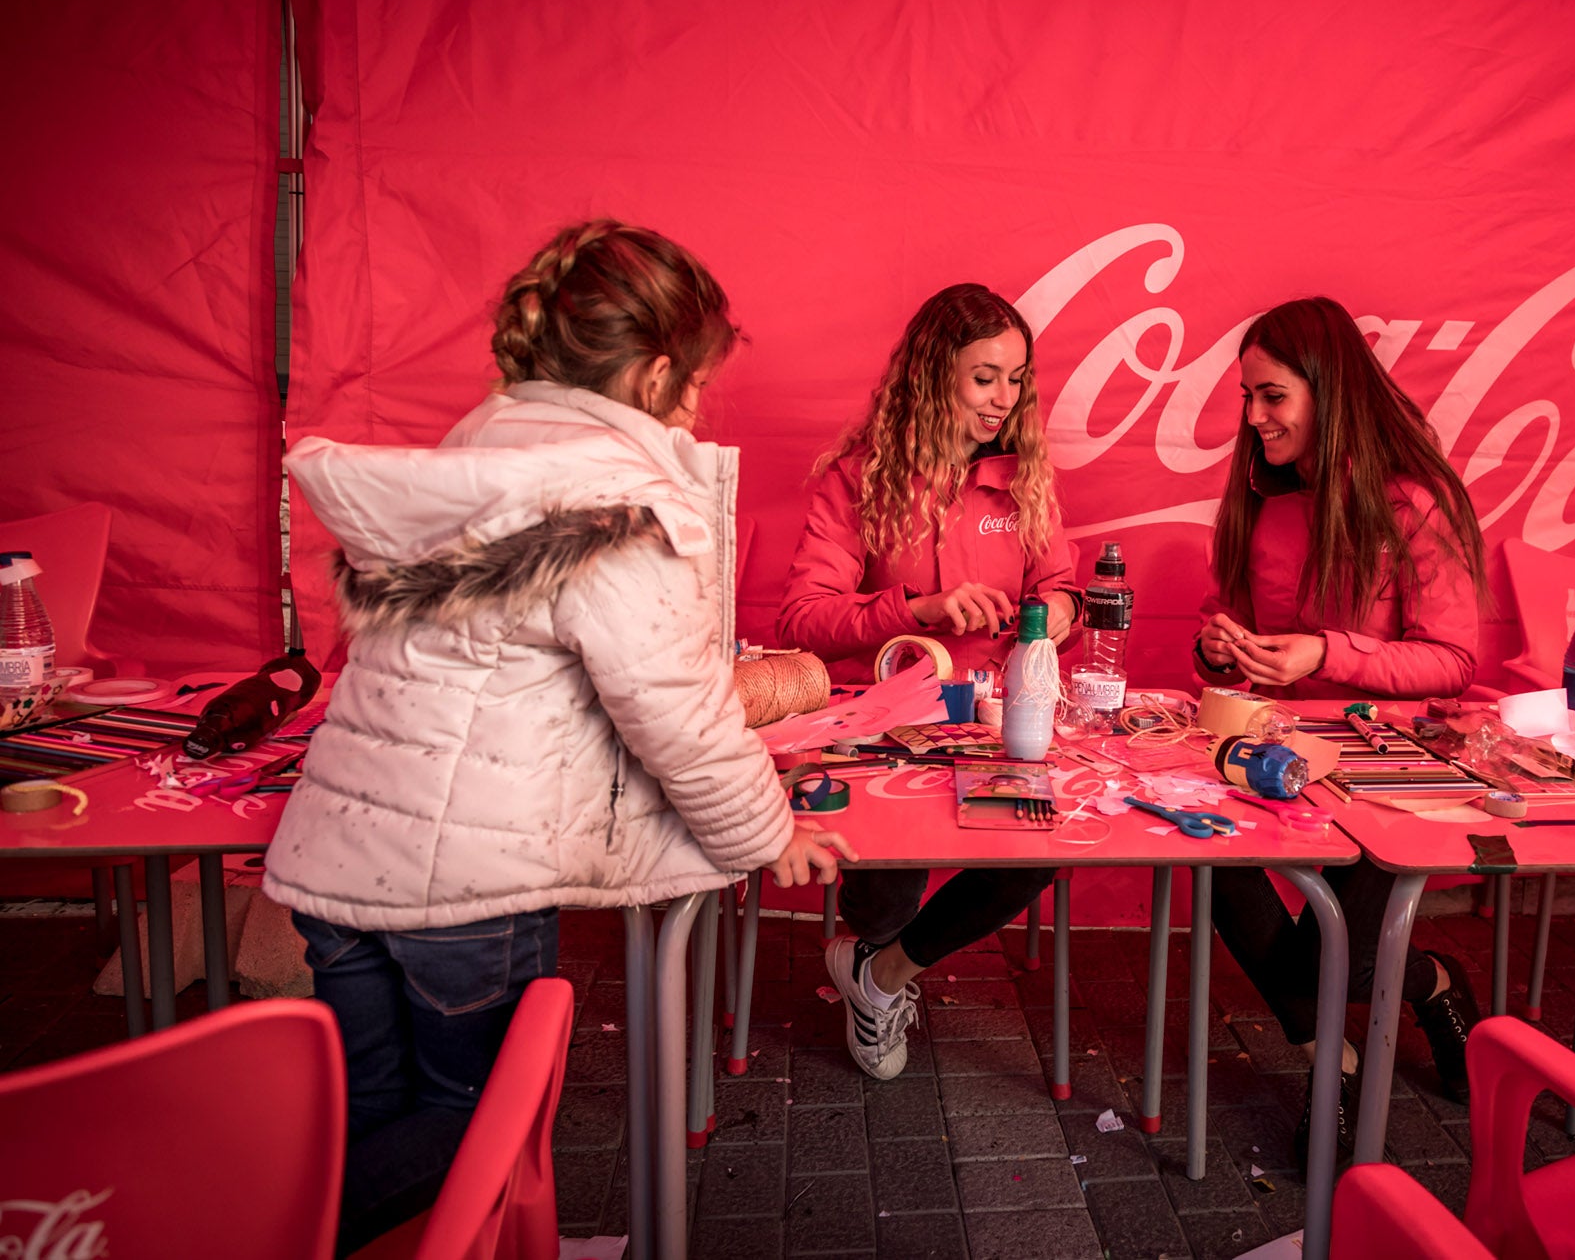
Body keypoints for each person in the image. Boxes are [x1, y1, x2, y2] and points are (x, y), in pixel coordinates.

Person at [264, 220, 848, 1251]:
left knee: (372, 1126)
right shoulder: (620, 504)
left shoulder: (473, 449)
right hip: (468, 889)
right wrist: (768, 835)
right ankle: (229, 1231)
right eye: (700, 384)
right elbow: (677, 715)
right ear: (660, 372)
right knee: (474, 1129)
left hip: (331, 865)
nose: (700, 407)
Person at [1192, 295, 1487, 1159]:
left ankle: (1421, 986)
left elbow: (1453, 661)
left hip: (1388, 767)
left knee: (1342, 958)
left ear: (1328, 391)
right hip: (1283, 755)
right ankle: (1345, 1056)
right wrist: (1218, 646)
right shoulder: (1260, 501)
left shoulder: (1415, 501)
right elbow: (1233, 630)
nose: (1253, 417)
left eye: (1272, 395)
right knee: (1209, 860)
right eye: (1247, 397)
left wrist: (1327, 651)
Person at [777, 282, 1076, 1079]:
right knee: (892, 866)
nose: (1003, 399)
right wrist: (918, 606)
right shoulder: (860, 476)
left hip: (990, 715)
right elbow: (803, 619)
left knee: (1042, 843)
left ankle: (878, 975)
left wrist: (1044, 621)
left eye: (1016, 379)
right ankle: (879, 956)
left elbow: (1066, 585)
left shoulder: (1024, 475)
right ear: (931, 374)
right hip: (883, 723)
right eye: (985, 377)